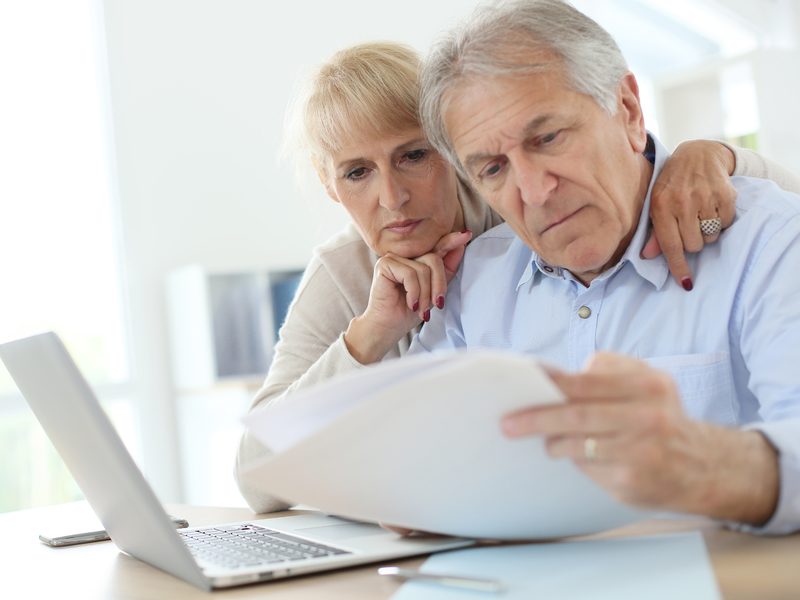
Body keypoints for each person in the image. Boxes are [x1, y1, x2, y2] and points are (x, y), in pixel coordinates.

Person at [235, 40, 800, 514]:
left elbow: (770, 211)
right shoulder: (347, 270)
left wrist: (712, 156)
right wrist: (370, 333)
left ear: (453, 154)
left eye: (413, 155)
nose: (392, 196)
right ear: (330, 184)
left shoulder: (523, 221)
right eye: (357, 172)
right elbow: (259, 475)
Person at [399, 0, 800, 533]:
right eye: (494, 168)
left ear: (629, 111)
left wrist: (702, 465)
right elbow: (408, 458)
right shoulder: (472, 282)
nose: (535, 192)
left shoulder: (769, 242)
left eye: (547, 138)